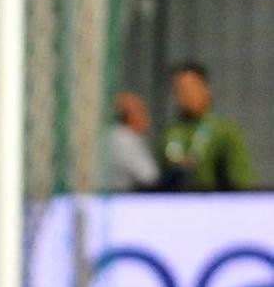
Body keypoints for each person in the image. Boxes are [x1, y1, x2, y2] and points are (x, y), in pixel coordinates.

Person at [159, 62, 253, 192]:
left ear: (205, 89)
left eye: (190, 88)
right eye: (179, 90)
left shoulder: (224, 132)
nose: (185, 96)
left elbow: (240, 183)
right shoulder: (169, 133)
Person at [108, 92, 159, 192]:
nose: (145, 117)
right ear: (128, 115)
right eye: (140, 111)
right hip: (121, 194)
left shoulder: (127, 136)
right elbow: (148, 176)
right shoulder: (123, 137)